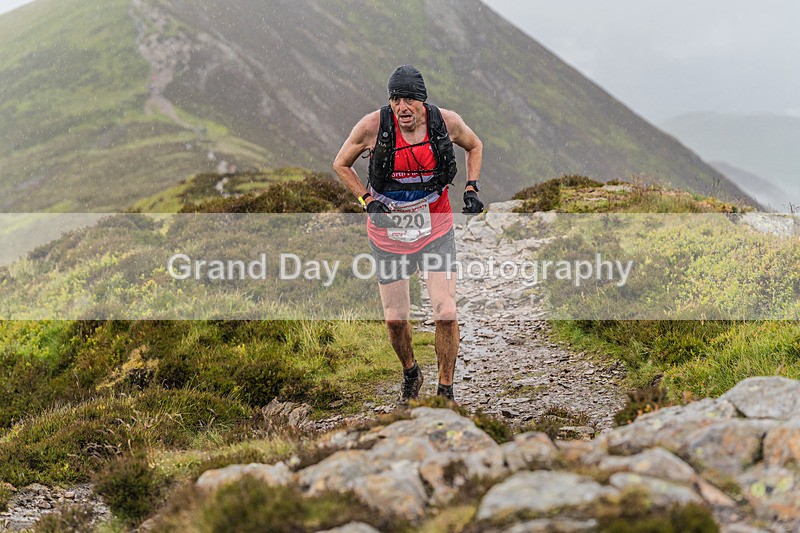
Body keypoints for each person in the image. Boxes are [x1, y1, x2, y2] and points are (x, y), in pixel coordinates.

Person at [333, 65, 484, 404]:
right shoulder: (373, 126)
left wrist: (472, 188)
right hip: (388, 237)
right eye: (396, 99)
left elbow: (474, 145)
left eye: (410, 100)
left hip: (436, 230)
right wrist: (367, 200)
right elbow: (340, 163)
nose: (402, 107)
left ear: (423, 102)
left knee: (445, 311)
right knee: (395, 321)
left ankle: (445, 391)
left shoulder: (445, 122)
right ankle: (411, 373)